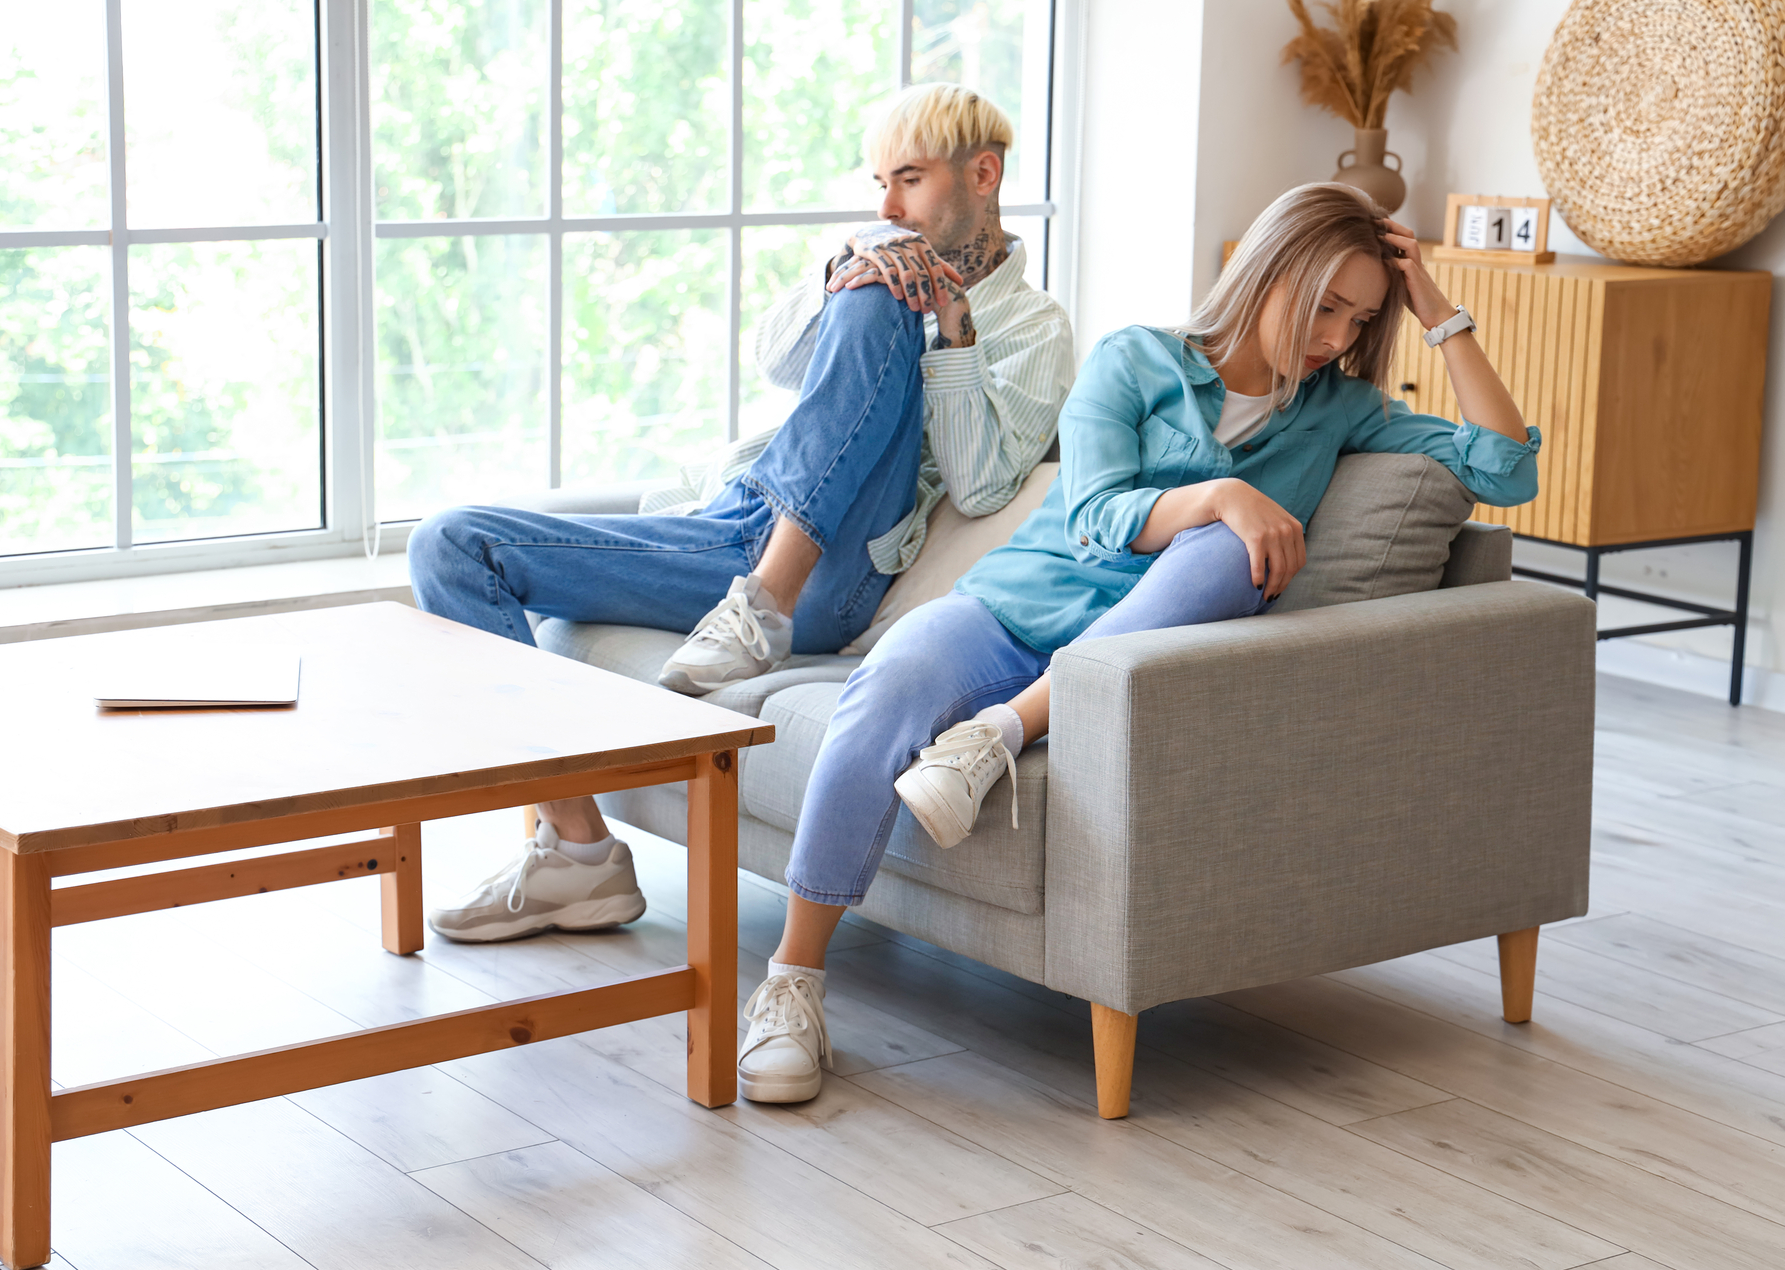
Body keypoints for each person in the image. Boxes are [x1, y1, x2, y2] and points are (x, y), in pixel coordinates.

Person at [732, 181, 1543, 1104]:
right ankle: (793, 982)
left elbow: (1505, 466)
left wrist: (1438, 314)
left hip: (1143, 651)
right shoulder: (1137, 357)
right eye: (1323, 305)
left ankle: (995, 734)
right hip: (1018, 607)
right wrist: (1217, 493)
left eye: (1359, 319)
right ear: (1265, 272)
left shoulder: (1340, 409)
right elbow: (1092, 509)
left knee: (1235, 555)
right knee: (887, 689)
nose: (1335, 336)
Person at [410, 84, 1074, 943]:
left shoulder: (1035, 327)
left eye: (907, 180)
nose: (886, 205)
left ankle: (767, 599)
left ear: (982, 174)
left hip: (840, 564)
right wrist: (849, 263)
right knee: (450, 545)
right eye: (879, 182)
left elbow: (982, 487)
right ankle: (578, 853)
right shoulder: (877, 252)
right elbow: (776, 359)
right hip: (735, 518)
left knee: (881, 296)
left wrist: (950, 331)